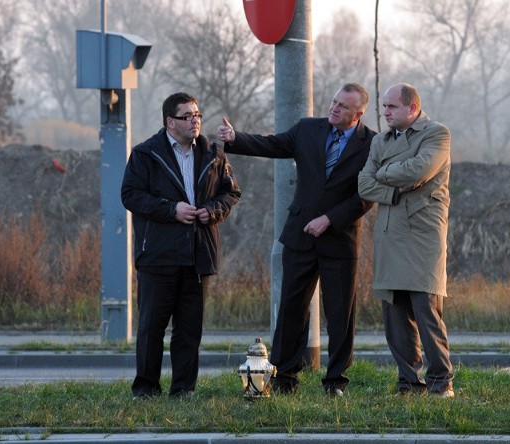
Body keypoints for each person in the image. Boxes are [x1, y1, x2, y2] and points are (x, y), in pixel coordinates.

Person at [217, 83, 376, 397]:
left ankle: (335, 382)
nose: (334, 108)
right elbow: (273, 145)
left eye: (343, 106)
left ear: (358, 114)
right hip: (300, 234)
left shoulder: (372, 144)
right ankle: (284, 377)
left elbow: (367, 194)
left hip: (340, 240)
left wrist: (330, 219)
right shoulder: (308, 129)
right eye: (333, 101)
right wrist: (236, 139)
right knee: (292, 308)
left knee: (340, 313)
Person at [121, 92, 241, 399]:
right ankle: (146, 389)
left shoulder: (214, 152)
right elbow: (131, 195)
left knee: (189, 329)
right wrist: (171, 208)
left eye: (198, 115)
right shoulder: (146, 154)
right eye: (188, 116)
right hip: (158, 255)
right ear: (170, 122)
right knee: (152, 327)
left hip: (198, 254)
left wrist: (212, 211)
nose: (195, 121)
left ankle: (184, 389)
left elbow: (231, 193)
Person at [357, 83, 455, 398]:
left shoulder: (436, 134)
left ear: (411, 108)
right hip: (388, 234)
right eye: (384, 107)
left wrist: (382, 175)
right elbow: (362, 184)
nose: (385, 112)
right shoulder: (380, 141)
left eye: (391, 107)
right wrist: (392, 188)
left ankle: (441, 382)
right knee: (395, 315)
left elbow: (419, 170)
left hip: (422, 235)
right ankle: (409, 383)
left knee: (426, 310)